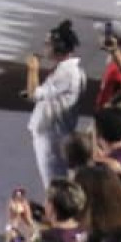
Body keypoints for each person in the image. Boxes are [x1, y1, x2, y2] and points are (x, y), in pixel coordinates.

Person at [27, 20, 87, 191]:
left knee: (53, 184)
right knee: (56, 181)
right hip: (55, 133)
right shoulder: (67, 69)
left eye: (48, 44)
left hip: (51, 136)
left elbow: (34, 94)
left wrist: (32, 69)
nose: (45, 47)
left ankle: (57, 215)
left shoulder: (66, 72)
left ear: (59, 48)